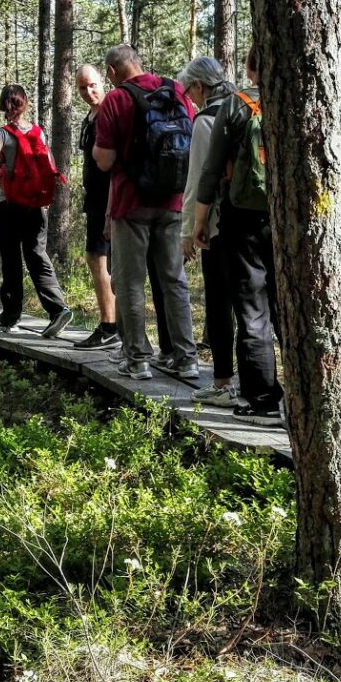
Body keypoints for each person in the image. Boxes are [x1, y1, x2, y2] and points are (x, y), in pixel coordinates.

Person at [189, 52, 287, 427]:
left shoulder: (235, 105)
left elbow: (211, 169)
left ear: (248, 69)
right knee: (285, 309)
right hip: (287, 222)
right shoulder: (298, 102)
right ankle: (298, 396)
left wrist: (199, 223)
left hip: (241, 219)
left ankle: (261, 400)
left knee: (252, 311)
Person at [92, 44, 199, 380]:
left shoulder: (116, 100)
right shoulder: (176, 90)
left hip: (132, 204)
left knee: (129, 281)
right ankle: (186, 357)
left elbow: (105, 159)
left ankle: (137, 357)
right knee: (174, 281)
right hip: (173, 202)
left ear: (112, 71)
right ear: (138, 62)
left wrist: (99, 153)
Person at [0, 84, 74, 338]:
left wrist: (3, 177)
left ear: (3, 105)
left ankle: (10, 317)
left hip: (9, 205)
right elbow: (51, 165)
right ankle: (58, 309)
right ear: (25, 104)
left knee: (11, 260)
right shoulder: (38, 132)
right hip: (34, 207)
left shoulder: (2, 134)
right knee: (37, 256)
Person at [178, 58, 232, 401]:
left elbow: (198, 179)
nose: (190, 98)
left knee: (218, 302)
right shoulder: (246, 108)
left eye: (189, 91)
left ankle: (224, 383)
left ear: (199, 86)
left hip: (217, 224)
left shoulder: (206, 121)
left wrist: (189, 230)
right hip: (256, 222)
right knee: (252, 307)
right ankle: (262, 388)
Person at [74, 65, 121, 349]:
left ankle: (110, 326)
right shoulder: (89, 118)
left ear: (102, 81)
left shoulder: (109, 113)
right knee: (98, 260)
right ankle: (112, 325)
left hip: (110, 200)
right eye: (82, 87)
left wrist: (110, 208)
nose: (88, 92)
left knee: (99, 259)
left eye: (92, 85)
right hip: (94, 199)